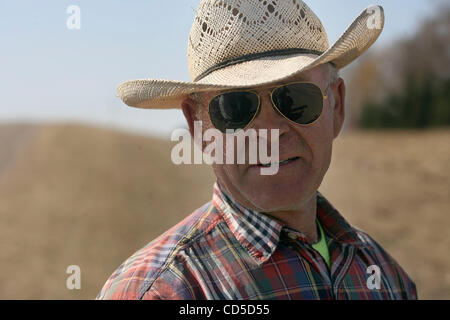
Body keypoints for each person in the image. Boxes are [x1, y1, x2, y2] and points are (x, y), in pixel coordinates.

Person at [97, 0, 417, 300]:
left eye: (294, 99)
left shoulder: (386, 275)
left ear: (337, 105)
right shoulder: (162, 291)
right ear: (198, 127)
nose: (269, 134)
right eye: (235, 107)